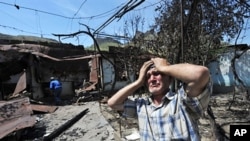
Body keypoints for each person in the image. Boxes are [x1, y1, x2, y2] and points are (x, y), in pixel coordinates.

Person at [108, 57, 212, 141]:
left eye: (157, 73)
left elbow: (201, 74)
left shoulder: (182, 102)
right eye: (147, 77)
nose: (152, 79)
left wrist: (163, 68)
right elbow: (113, 103)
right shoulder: (142, 106)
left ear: (170, 78)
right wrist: (139, 81)